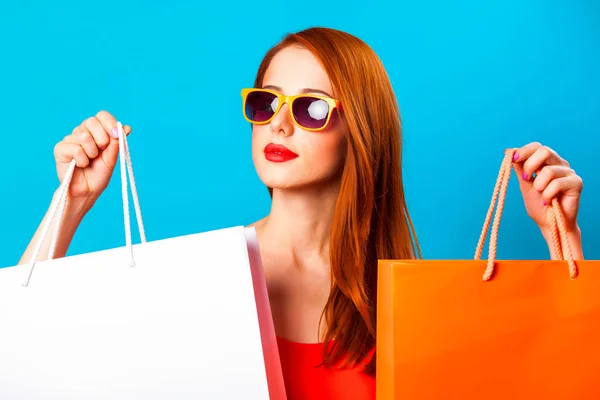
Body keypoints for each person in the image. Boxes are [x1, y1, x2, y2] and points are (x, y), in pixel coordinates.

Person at [18, 27, 585, 399]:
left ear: (360, 130)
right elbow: (18, 356)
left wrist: (563, 243)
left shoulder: (408, 299)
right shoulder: (198, 276)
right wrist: (68, 204)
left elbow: (564, 380)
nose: (279, 124)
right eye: (266, 102)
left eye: (311, 107)